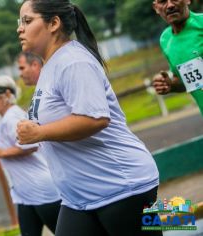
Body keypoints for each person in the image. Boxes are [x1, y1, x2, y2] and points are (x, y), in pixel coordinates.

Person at [16, 1, 161, 235]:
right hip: (79, 199)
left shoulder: (74, 61)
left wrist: (39, 133)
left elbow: (95, 119)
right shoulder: (51, 66)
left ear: (54, 23)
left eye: (27, 20)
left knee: (176, 224)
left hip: (123, 188)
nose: (19, 29)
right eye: (19, 22)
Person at [0, 75, 61, 236]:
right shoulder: (7, 118)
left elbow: (31, 145)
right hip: (25, 194)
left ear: (7, 94)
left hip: (40, 189)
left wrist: (0, 152)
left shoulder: (13, 117)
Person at [152, 0, 203, 116]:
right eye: (162, 1)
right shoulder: (165, 40)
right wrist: (170, 84)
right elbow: (186, 82)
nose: (170, 5)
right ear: (156, 7)